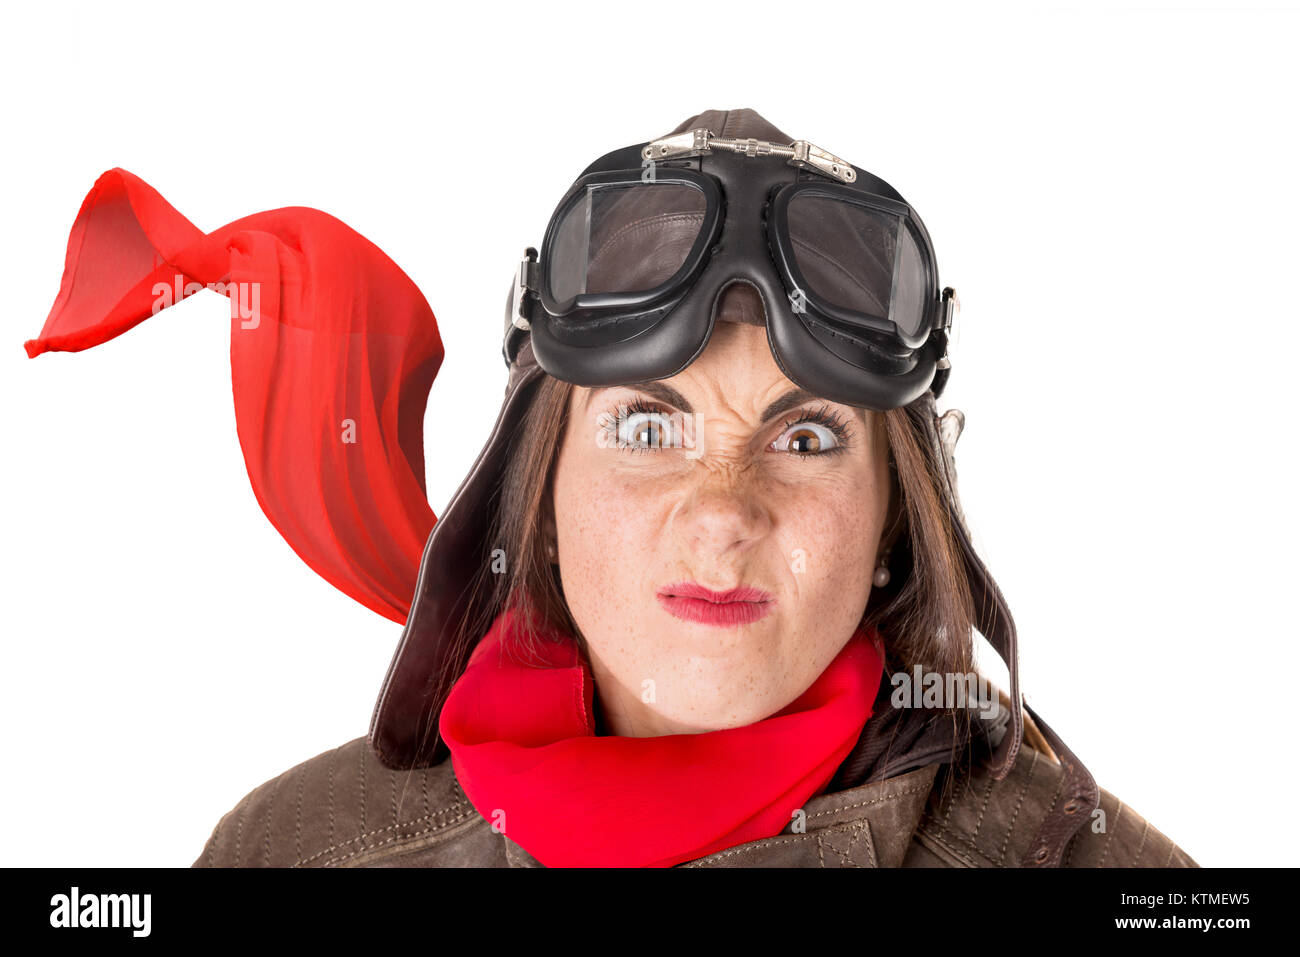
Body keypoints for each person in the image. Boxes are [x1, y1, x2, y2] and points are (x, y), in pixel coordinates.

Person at [27, 108, 1197, 868]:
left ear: (898, 514)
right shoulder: (291, 852)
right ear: (536, 490)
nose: (722, 511)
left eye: (805, 440)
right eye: (648, 424)